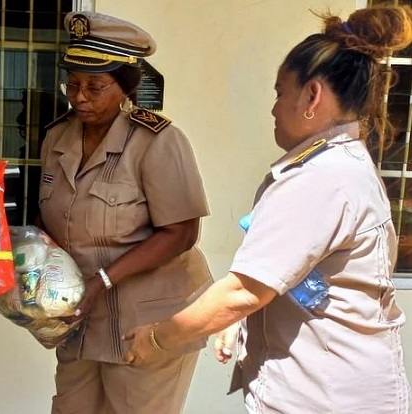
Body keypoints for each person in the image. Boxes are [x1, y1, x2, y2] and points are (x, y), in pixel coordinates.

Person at [124, 5, 412, 414]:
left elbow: (244, 289)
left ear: (312, 95)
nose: (274, 108)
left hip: (328, 398)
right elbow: (288, 274)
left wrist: (157, 338)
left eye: (280, 93)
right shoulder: (332, 166)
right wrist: (241, 324)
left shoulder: (322, 178)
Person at [38, 11, 213, 414]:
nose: (80, 96)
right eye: (73, 84)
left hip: (147, 322)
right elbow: (53, 220)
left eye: (95, 87)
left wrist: (102, 280)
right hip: (81, 319)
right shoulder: (56, 138)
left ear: (125, 87)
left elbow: (182, 233)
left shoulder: (157, 141)